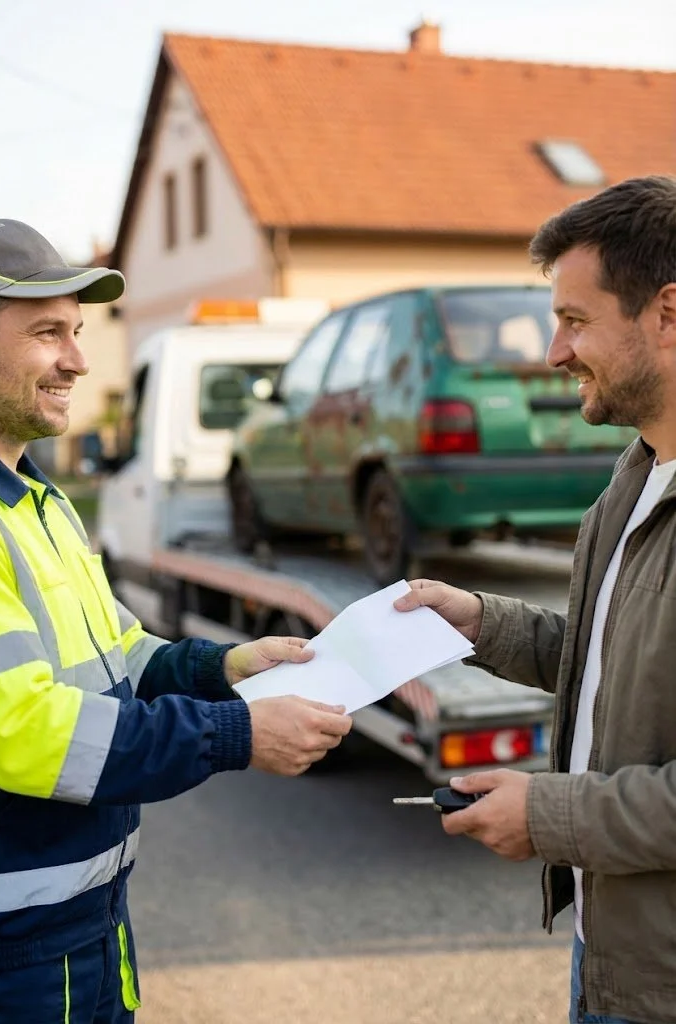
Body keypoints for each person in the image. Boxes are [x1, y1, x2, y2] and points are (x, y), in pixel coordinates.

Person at [0, 218, 352, 1022]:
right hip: (10, 956)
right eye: (47, 333)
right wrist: (235, 734)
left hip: (83, 922)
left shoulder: (37, 501)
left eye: (78, 332)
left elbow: (120, 651)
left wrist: (226, 668)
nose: (78, 361)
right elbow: (23, 730)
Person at [395, 175, 676, 1024]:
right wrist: (481, 624)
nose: (554, 353)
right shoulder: (633, 478)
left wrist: (547, 816)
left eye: (574, 321)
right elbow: (617, 664)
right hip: (612, 951)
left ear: (666, 314)